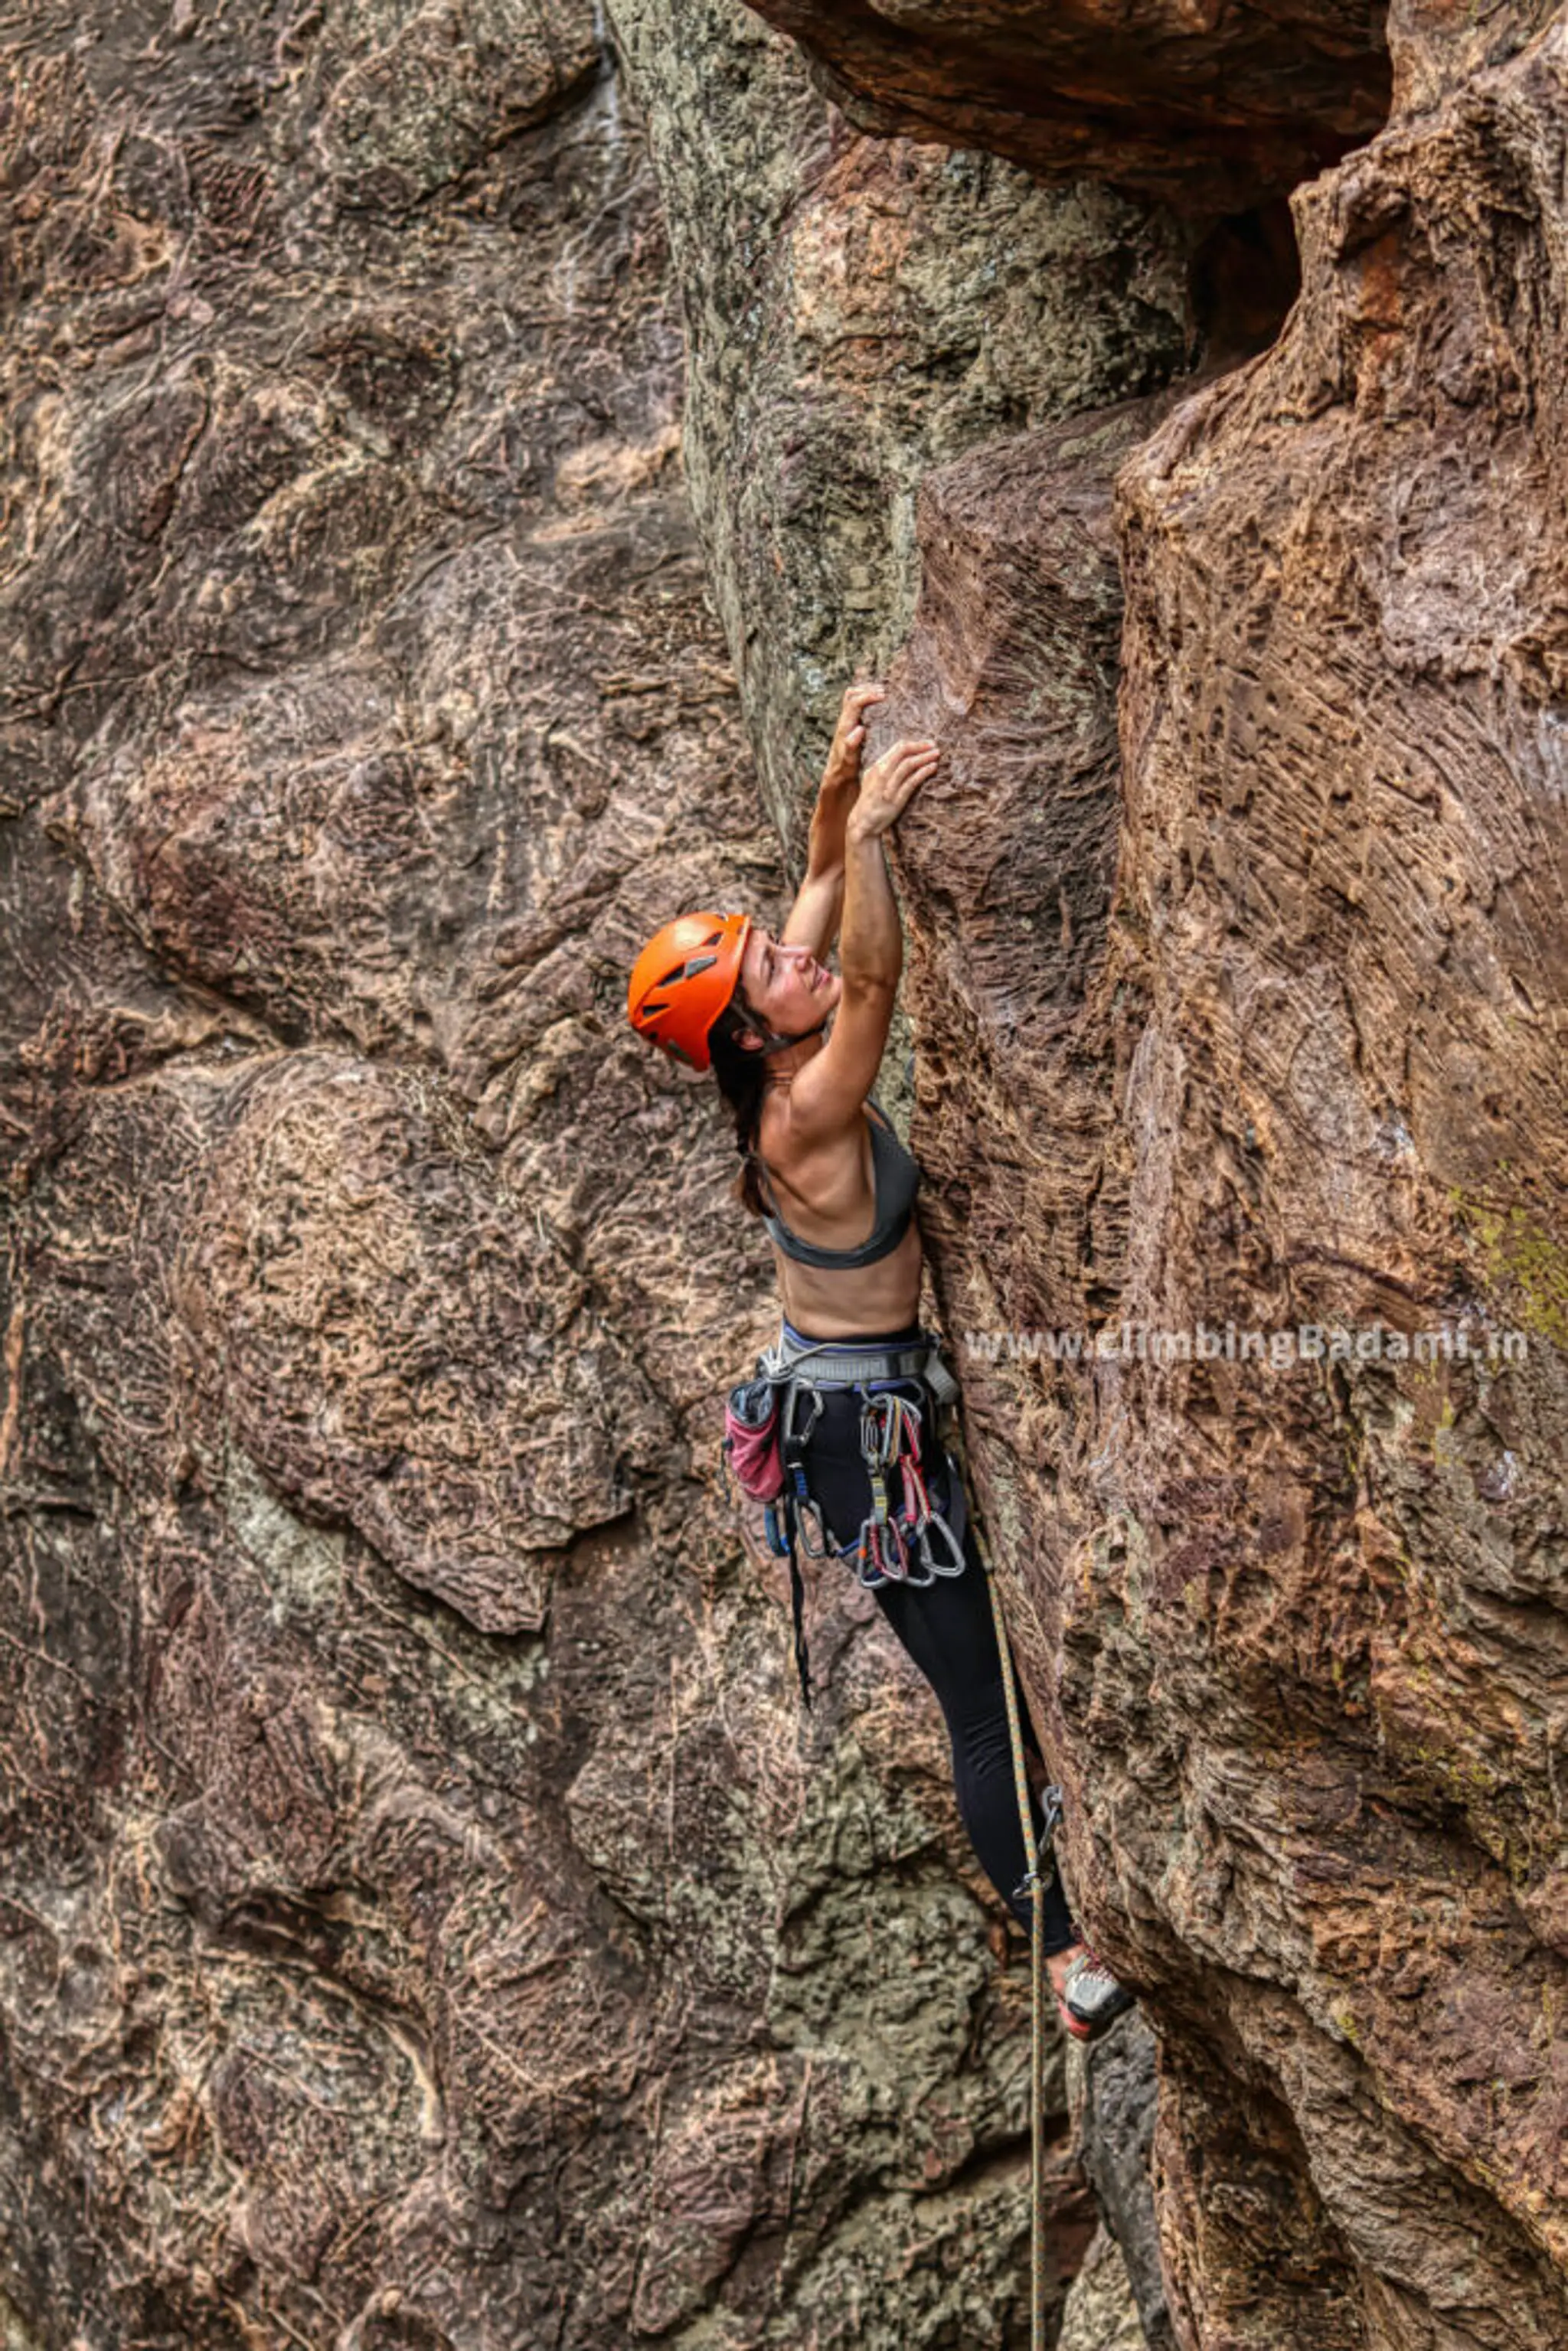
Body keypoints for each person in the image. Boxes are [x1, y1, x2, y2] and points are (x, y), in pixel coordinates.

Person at [626, 682, 1132, 2041]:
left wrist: (839, 791)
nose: (794, 959)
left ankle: (1059, 1916)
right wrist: (889, 846)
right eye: (767, 971)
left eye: (772, 953)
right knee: (983, 1704)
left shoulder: (766, 1042)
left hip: (847, 1420)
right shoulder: (801, 1110)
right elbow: (879, 977)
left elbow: (810, 890)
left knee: (986, 1690)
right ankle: (1066, 1956)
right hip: (864, 1446)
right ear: (749, 1032)